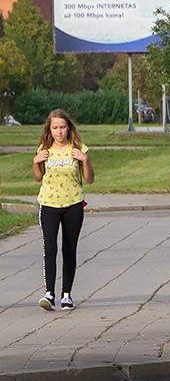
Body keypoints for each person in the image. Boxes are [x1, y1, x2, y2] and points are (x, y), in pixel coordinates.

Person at [32, 109, 93, 311]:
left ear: (69, 128)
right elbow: (38, 177)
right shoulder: (44, 148)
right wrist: (36, 162)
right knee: (49, 248)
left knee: (69, 249)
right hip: (49, 204)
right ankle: (49, 294)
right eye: (55, 128)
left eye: (63, 127)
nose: (59, 132)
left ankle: (67, 295)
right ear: (49, 129)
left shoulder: (79, 148)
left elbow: (90, 179)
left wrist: (84, 160)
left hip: (73, 203)